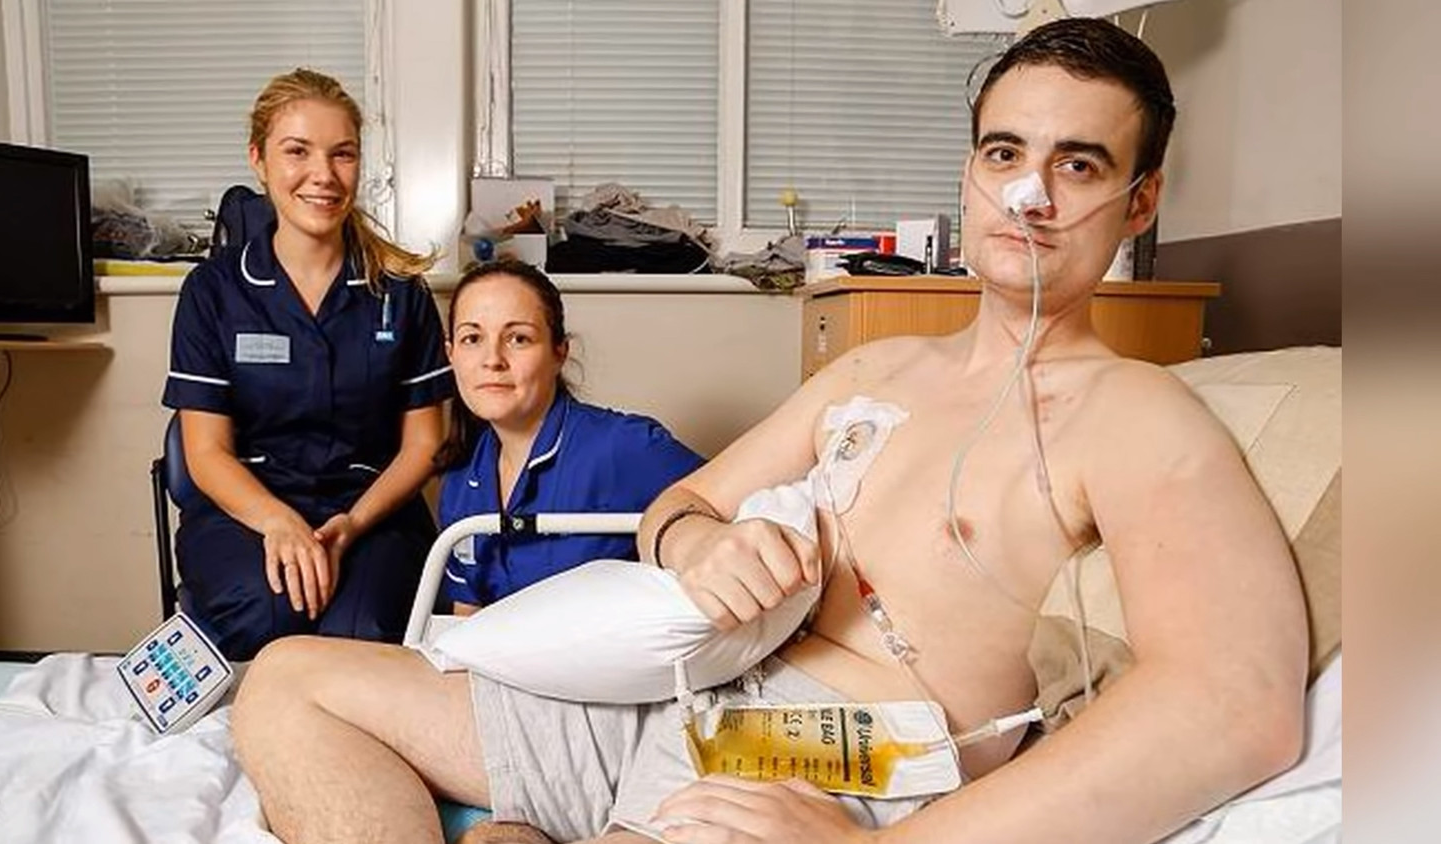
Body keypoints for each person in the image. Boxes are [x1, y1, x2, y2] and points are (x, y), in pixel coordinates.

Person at [231, 19, 1309, 844]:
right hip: (685, 685)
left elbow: (1234, 704)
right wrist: (704, 543)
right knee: (288, 681)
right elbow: (679, 505)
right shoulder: (878, 369)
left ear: (1140, 201)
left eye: (1077, 164)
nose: (1029, 194)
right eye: (1004, 152)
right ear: (969, 171)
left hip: (837, 755)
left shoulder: (1133, 416)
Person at [162, 68, 452, 662]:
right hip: (246, 508)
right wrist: (278, 522)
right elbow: (205, 452)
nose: (323, 174)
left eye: (342, 154)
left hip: (372, 510)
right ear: (259, 160)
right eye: (297, 151)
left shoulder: (399, 292)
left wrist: (353, 523)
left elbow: (425, 444)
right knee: (267, 614)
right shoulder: (213, 291)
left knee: (364, 634)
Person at [435, 259, 704, 613]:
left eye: (518, 339)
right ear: (451, 354)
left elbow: (746, 505)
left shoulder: (622, 447)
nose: (493, 360)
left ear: (559, 352)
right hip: (499, 649)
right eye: (472, 339)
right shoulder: (461, 481)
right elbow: (466, 619)